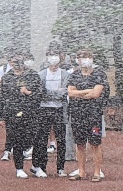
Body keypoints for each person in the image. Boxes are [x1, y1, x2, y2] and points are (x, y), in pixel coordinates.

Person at [66, 49, 109, 182]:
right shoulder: (74, 75)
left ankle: (97, 172)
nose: (85, 60)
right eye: (81, 57)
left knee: (95, 144)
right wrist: (86, 91)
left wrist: (79, 93)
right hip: (77, 114)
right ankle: (81, 171)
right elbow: (70, 93)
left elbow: (96, 93)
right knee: (79, 144)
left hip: (94, 114)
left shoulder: (99, 74)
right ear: (77, 60)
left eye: (87, 57)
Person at [1, 54, 44, 178]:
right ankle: (19, 168)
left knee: (36, 140)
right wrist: (1, 117)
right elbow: (3, 97)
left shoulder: (33, 75)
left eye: (19, 62)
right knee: (17, 141)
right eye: (14, 62)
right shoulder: (7, 77)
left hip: (31, 112)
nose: (16, 64)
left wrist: (29, 93)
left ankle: (36, 166)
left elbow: (40, 93)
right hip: (13, 113)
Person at [31, 52, 71, 178]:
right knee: (42, 139)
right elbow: (40, 93)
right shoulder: (41, 74)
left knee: (61, 139)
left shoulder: (65, 74)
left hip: (59, 110)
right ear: (47, 63)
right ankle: (41, 166)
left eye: (56, 64)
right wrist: (55, 93)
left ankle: (60, 167)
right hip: (44, 110)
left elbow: (64, 92)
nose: (54, 66)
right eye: (52, 64)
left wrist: (52, 93)